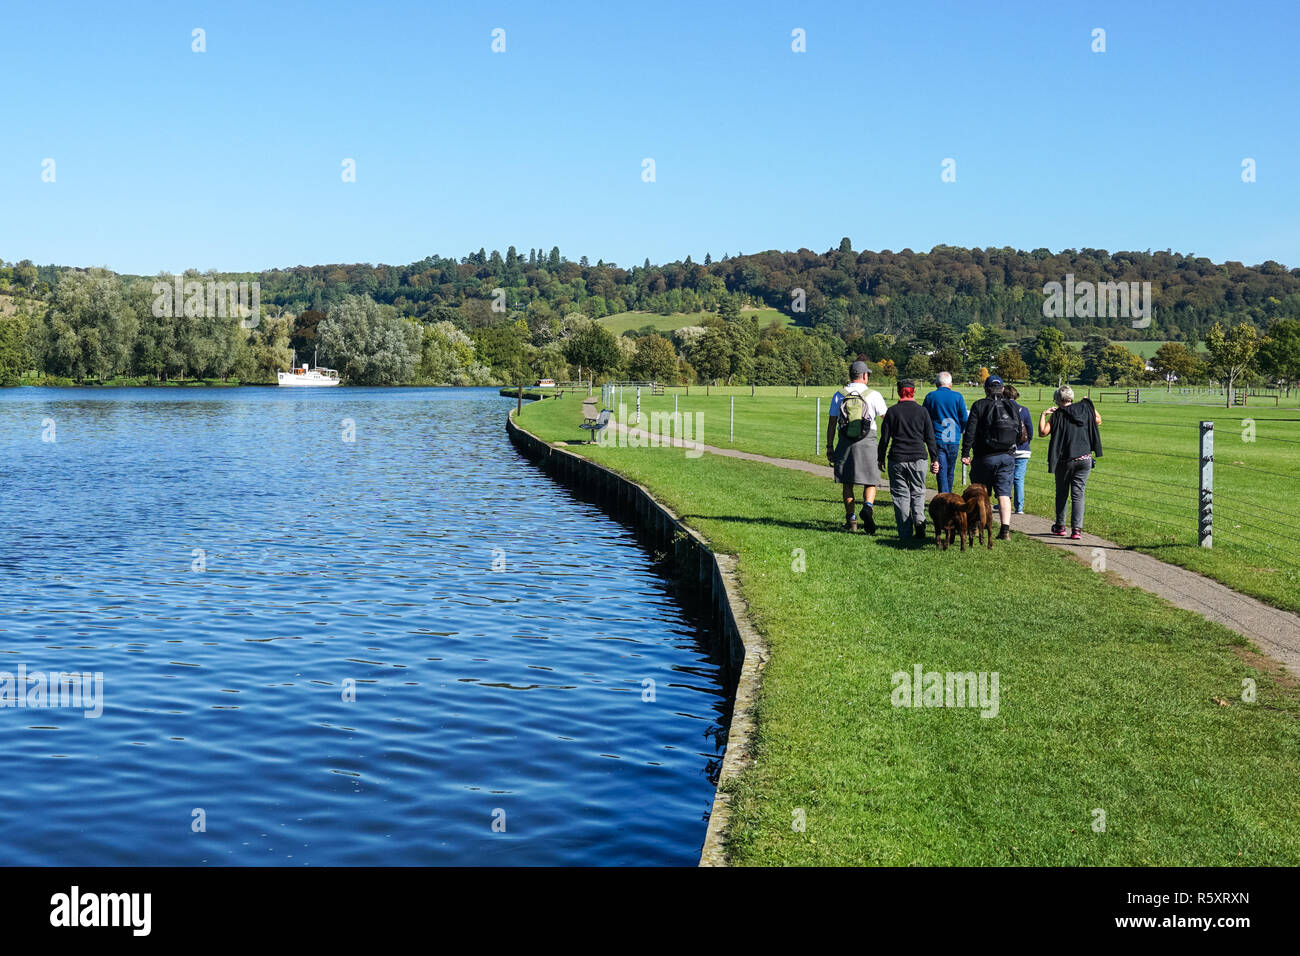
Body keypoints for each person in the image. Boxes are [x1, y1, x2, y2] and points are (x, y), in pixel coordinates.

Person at [826, 360, 888, 533]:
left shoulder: (838, 395)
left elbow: (832, 423)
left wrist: (829, 446)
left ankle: (851, 519)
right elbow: (887, 418)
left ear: (850, 375)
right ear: (865, 375)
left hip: (845, 441)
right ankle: (867, 507)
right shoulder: (873, 395)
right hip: (867, 440)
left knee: (847, 481)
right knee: (871, 479)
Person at [960, 375, 1025, 540]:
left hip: (984, 456)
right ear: (1002, 389)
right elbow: (1019, 431)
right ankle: (1005, 530)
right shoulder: (1012, 405)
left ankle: (975, 526)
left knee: (981, 492)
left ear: (986, 389)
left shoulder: (979, 405)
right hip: (1007, 456)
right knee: (1004, 493)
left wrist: (966, 453)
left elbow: (970, 432)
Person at [877, 380, 941, 545]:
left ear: (899, 392)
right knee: (918, 491)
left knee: (900, 495)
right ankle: (919, 519)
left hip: (897, 458)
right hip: (918, 457)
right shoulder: (922, 412)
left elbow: (884, 439)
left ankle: (905, 532)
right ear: (913, 392)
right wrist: (935, 458)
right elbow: (930, 437)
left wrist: (880, 457)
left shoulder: (892, 412)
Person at [1039, 385, 1103, 540]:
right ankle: (1077, 530)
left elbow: (1042, 432)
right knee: (1078, 494)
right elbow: (1098, 420)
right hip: (1084, 458)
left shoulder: (1057, 415)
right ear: (1071, 398)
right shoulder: (1084, 410)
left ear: (1057, 399)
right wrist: (1089, 404)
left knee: (1062, 493)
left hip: (1064, 460)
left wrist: (1043, 414)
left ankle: (1060, 526)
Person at [922, 371, 968, 493]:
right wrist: (961, 430)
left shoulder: (930, 396)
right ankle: (948, 496)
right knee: (950, 470)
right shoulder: (958, 397)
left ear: (937, 383)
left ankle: (944, 496)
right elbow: (963, 418)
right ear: (950, 384)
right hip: (953, 437)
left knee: (941, 469)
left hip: (937, 436)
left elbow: (924, 417)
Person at [1001, 384, 1034, 514]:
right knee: (1019, 479)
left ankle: (1005, 503)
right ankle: (1019, 507)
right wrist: (1026, 443)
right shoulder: (1024, 410)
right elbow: (1030, 430)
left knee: (1005, 477)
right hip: (1023, 450)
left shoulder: (1001, 408)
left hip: (1006, 449)